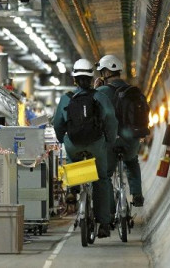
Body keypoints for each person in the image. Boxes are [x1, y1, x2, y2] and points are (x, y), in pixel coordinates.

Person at [53, 58, 118, 238]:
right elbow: (111, 120)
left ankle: (73, 189)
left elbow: (58, 123)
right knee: (101, 180)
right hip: (96, 145)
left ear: (75, 79)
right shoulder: (100, 97)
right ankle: (103, 223)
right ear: (91, 78)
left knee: (72, 160)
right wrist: (110, 141)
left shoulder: (66, 99)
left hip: (73, 144)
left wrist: (62, 139)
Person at [96, 54, 145, 209]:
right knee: (131, 162)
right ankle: (137, 195)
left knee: (105, 175)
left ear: (105, 73)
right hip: (132, 140)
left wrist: (96, 89)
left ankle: (110, 211)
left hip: (110, 141)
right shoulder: (132, 91)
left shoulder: (101, 92)